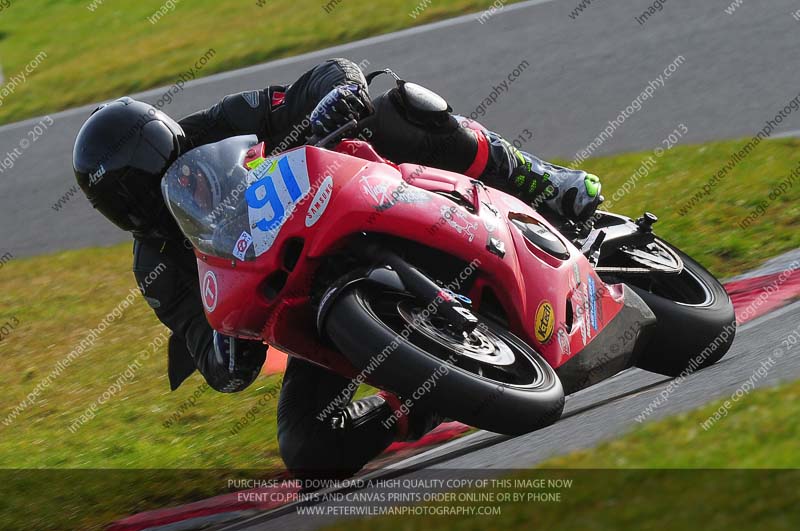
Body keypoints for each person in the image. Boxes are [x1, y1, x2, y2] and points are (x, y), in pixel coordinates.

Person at [72, 58, 601, 478]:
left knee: (400, 109)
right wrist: (227, 341)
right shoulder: (157, 270)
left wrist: (333, 100)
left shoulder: (219, 125)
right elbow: (213, 362)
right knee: (308, 448)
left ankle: (540, 179)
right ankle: (426, 399)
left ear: (176, 141)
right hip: (313, 306)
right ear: (126, 214)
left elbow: (328, 75)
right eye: (147, 195)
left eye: (174, 170)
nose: (177, 192)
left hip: (363, 198)